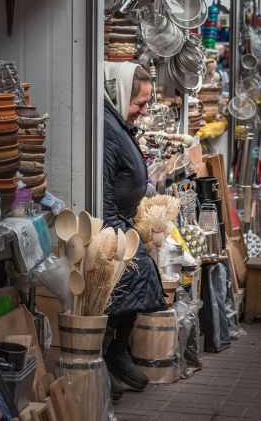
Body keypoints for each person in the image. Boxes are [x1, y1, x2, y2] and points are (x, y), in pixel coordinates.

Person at [101, 62, 166, 400]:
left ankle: (116, 350)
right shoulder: (106, 127)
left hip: (123, 221)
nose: (142, 111)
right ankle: (105, 358)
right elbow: (102, 192)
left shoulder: (117, 121)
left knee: (144, 271)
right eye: (138, 103)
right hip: (110, 225)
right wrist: (117, 237)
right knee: (134, 273)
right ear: (118, 93)